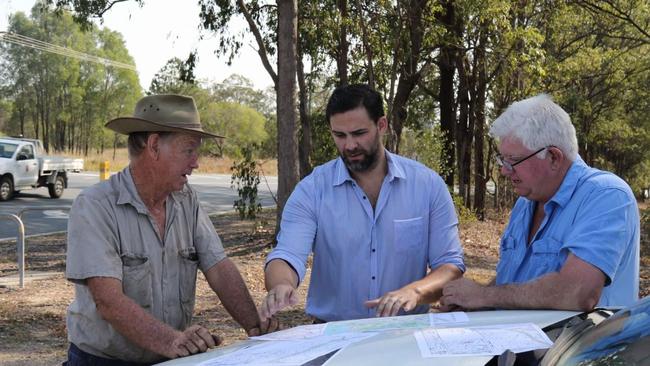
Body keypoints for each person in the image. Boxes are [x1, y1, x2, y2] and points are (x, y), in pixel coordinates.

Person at [65, 94, 278, 365]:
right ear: (154, 146)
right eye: (189, 150)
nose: (196, 162)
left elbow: (219, 269)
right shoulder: (95, 206)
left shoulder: (186, 200)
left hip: (170, 358)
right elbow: (108, 302)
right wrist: (172, 341)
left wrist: (256, 327)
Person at [260, 84, 465, 323]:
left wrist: (414, 292)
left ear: (381, 125)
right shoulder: (312, 189)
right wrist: (281, 285)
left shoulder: (428, 186)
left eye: (358, 133)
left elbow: (450, 266)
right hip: (333, 335)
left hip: (406, 333)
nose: (349, 146)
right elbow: (286, 255)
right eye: (340, 135)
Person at [441, 94, 640, 312]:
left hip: (578, 346)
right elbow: (516, 286)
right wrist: (473, 305)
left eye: (514, 161)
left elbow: (578, 292)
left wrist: (483, 295)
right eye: (502, 160)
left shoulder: (607, 195)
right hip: (518, 343)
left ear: (554, 157)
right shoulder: (526, 203)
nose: (504, 171)